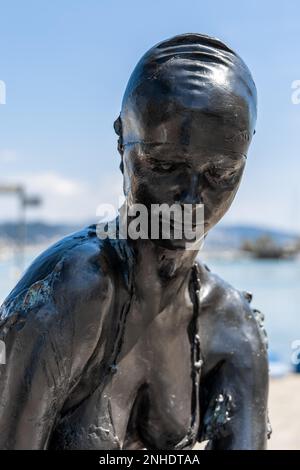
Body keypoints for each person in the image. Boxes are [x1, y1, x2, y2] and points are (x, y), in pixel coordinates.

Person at [0, 33, 269, 450]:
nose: (191, 200)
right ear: (120, 142)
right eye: (163, 165)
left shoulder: (232, 326)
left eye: (221, 174)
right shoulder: (77, 290)